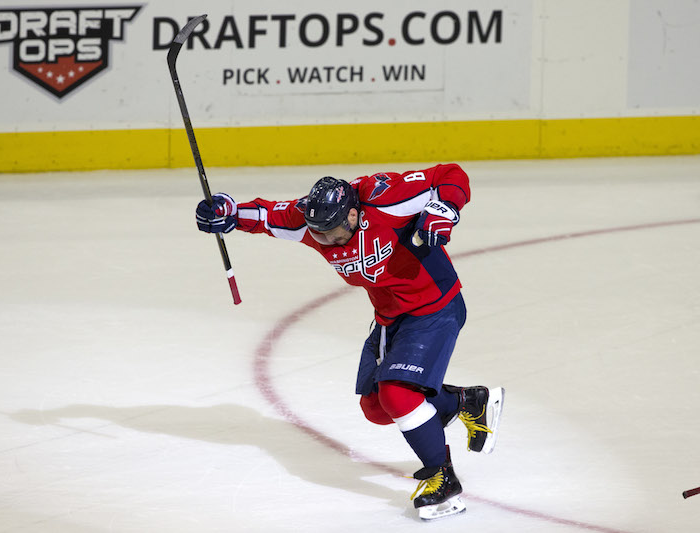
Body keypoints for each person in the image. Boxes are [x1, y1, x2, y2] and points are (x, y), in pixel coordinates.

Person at [194, 164, 505, 521]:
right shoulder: (315, 223)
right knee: (376, 409)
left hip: (434, 308)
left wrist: (446, 208)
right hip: (391, 317)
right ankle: (468, 401)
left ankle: (442, 476)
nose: (329, 243)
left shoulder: (384, 198)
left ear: (354, 213)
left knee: (397, 396)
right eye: (320, 236)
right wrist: (228, 213)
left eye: (335, 233)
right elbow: (267, 215)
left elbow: (449, 174)